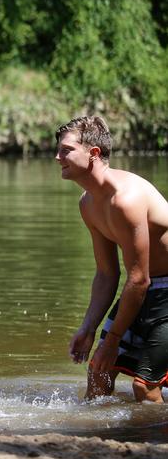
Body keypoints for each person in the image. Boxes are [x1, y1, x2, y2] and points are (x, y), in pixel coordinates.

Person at [56, 115, 168, 403]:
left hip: (160, 291)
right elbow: (107, 274)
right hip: (147, 289)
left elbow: (138, 279)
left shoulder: (126, 199)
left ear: (93, 153)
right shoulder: (88, 203)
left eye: (66, 150)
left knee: (145, 387)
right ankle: (100, 431)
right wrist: (88, 328)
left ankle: (149, 445)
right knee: (98, 372)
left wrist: (114, 339)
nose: (57, 157)